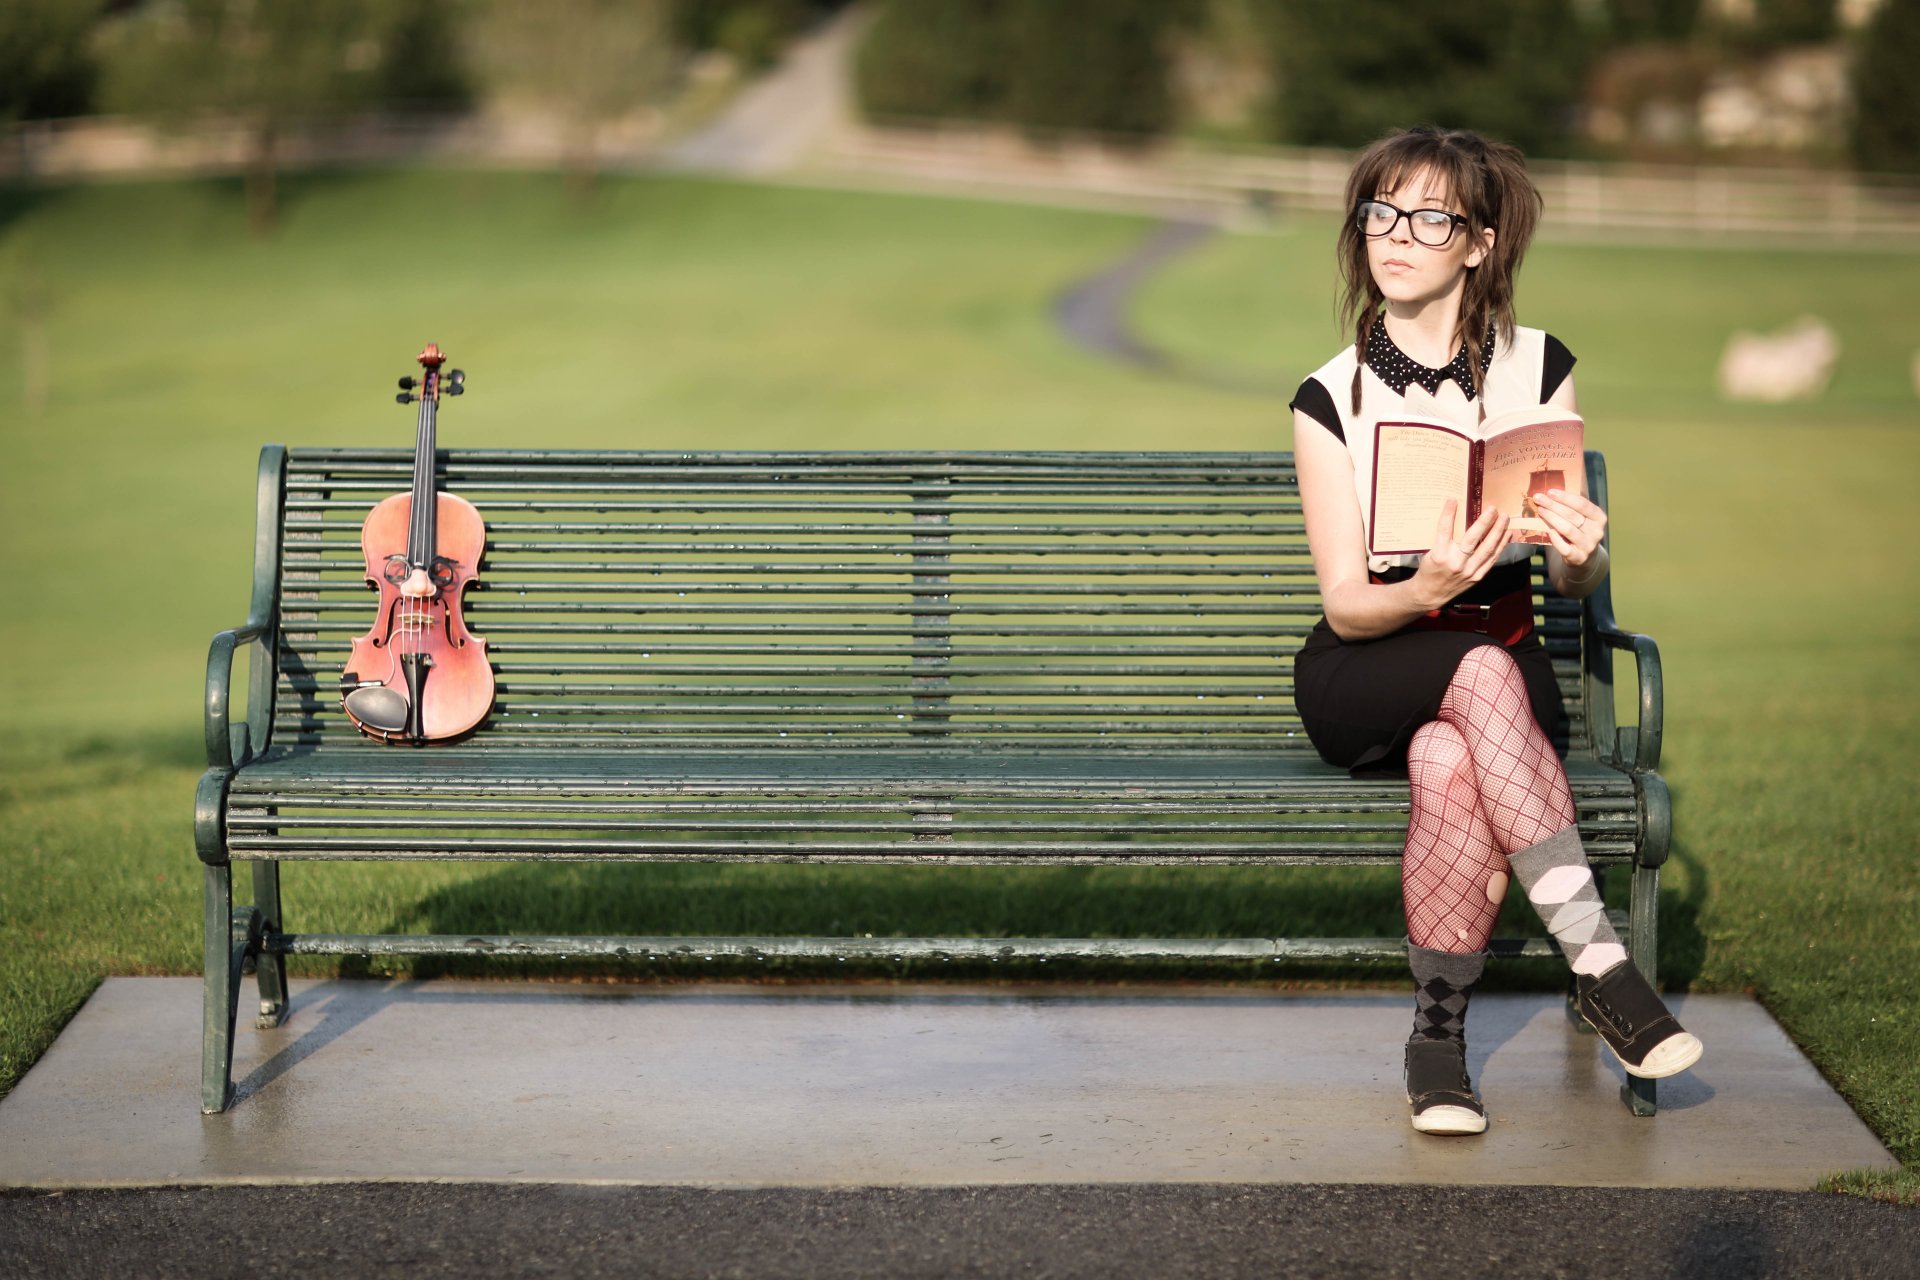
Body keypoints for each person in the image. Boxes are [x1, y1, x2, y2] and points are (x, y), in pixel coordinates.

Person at [1288, 126, 1703, 1136]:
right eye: (1380, 211)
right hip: (1369, 661)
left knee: (1449, 751)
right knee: (1464, 671)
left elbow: (1569, 576)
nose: (1397, 234)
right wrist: (1427, 583)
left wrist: (1582, 551)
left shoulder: (1538, 366)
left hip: (1503, 677)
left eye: (1429, 217)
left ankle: (1438, 1043)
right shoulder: (1327, 394)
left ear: (1476, 242)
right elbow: (1345, 600)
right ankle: (1602, 965)